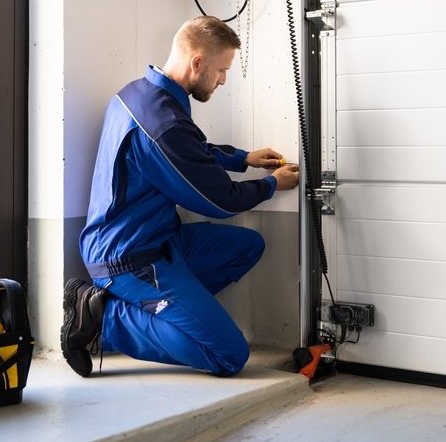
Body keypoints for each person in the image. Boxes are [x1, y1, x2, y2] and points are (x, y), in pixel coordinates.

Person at [62, 16, 300, 378]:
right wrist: (270, 185)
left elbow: (190, 150)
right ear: (198, 62)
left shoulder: (140, 94)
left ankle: (167, 314)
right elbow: (220, 201)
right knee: (229, 355)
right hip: (128, 258)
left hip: (161, 240)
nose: (223, 80)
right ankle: (104, 318)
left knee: (247, 246)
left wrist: (243, 158)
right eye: (222, 70)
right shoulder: (161, 124)